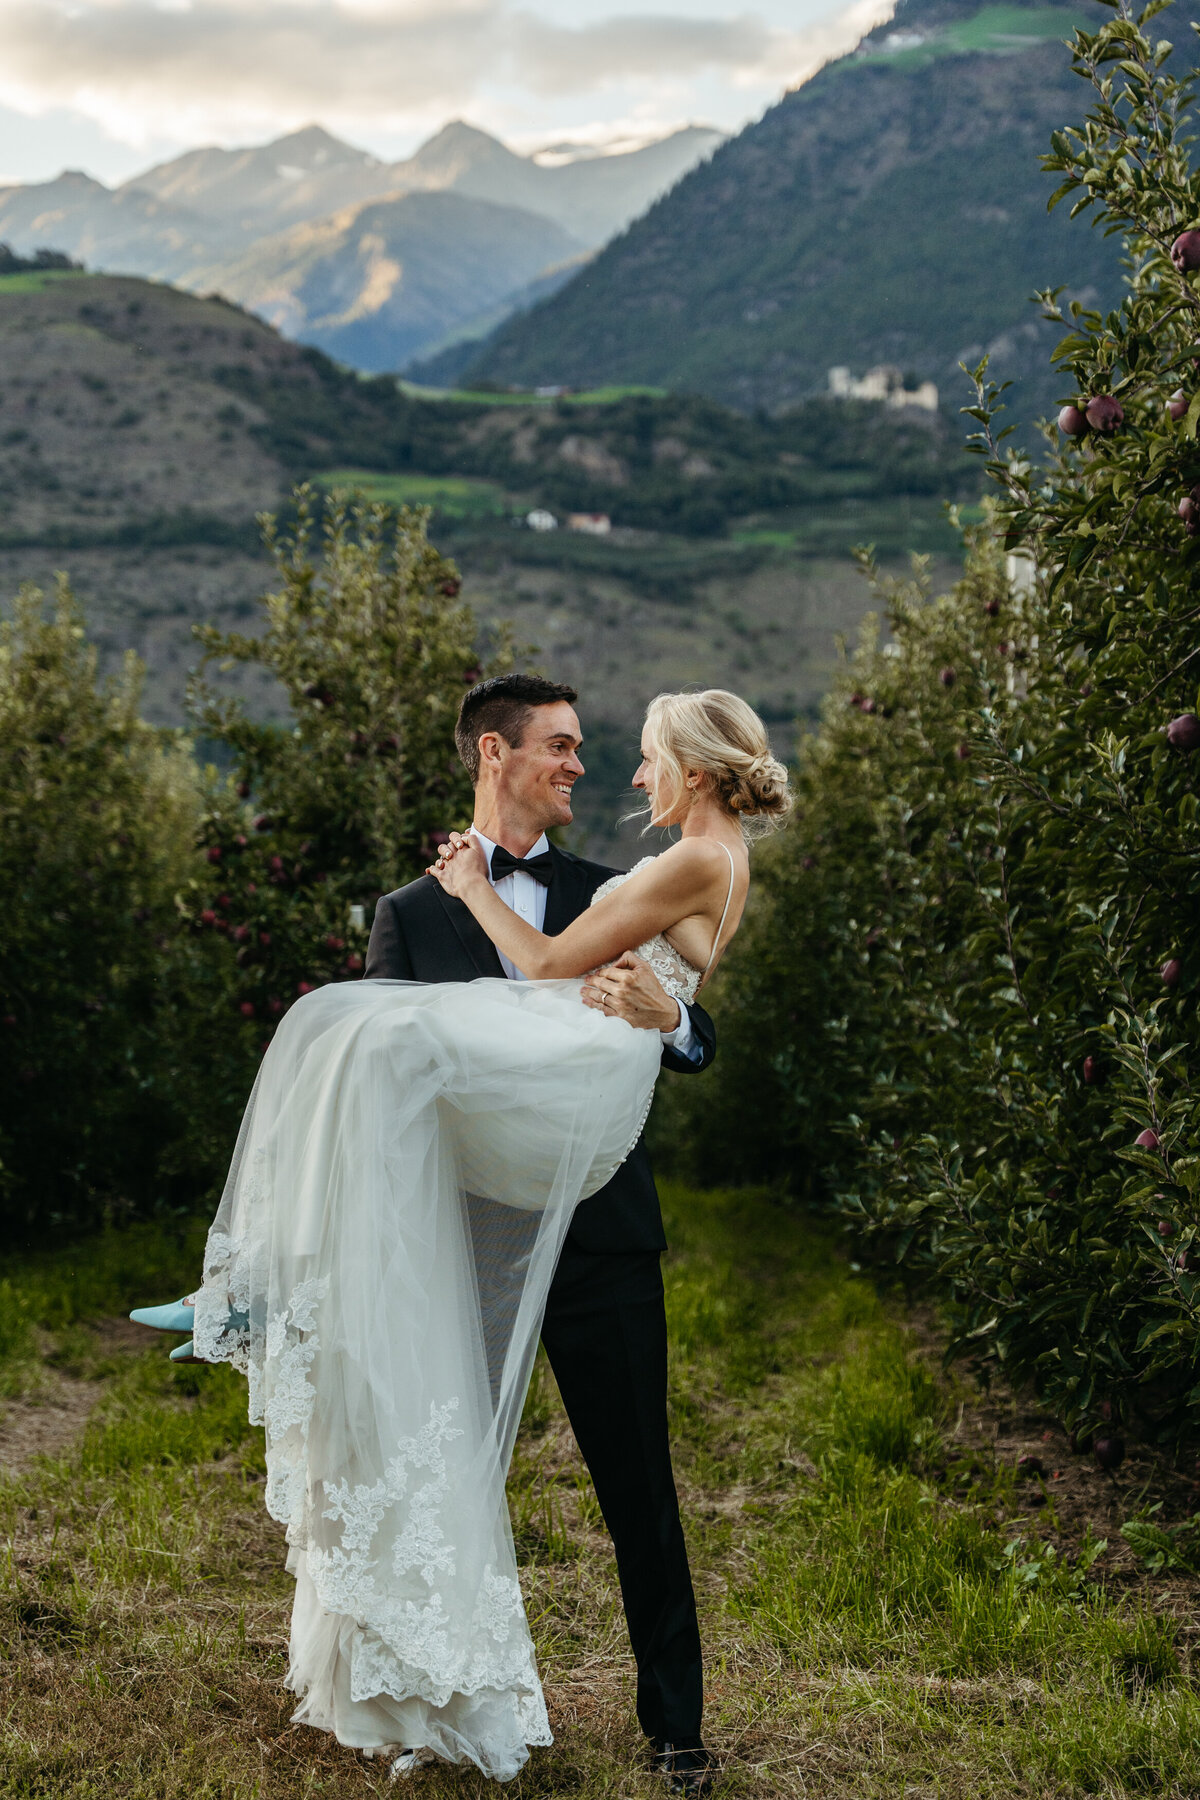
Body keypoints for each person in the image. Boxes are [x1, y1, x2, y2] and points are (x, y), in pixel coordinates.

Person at [131, 679, 790, 1792]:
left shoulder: (622, 878)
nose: (596, 770)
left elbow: (681, 1013)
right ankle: (423, 1679)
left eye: (610, 751)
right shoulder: (409, 909)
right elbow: (392, 1109)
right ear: (499, 751)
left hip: (594, 1220)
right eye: (565, 748)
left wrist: (668, 1014)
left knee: (641, 1487)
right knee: (367, 1043)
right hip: (451, 1236)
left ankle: (677, 1728)